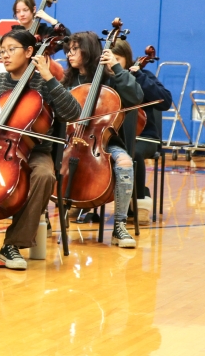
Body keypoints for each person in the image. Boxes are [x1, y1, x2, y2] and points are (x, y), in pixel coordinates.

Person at [0, 30, 81, 270]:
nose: (4, 56)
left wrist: (50, 79)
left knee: (44, 176)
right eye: (2, 51)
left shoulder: (43, 84)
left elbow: (73, 113)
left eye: (11, 49)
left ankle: (12, 244)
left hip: (35, 151)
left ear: (29, 52)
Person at [63, 31, 144, 248]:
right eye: (68, 50)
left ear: (88, 52)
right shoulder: (67, 79)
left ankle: (119, 225)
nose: (69, 55)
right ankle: (51, 216)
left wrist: (117, 68)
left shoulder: (110, 78)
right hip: (69, 140)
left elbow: (136, 96)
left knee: (125, 163)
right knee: (47, 162)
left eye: (74, 50)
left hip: (104, 143)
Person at [110, 39, 172, 224]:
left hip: (144, 136)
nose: (113, 64)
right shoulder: (107, 79)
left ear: (127, 60)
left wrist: (140, 77)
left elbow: (166, 101)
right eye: (109, 59)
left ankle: (138, 200)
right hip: (114, 135)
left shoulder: (142, 75)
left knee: (133, 152)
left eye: (117, 59)